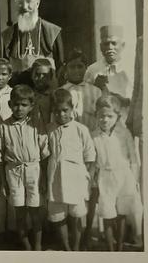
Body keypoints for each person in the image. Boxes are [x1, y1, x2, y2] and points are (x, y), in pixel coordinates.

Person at [0, 85, 50, 250]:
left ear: (31, 107)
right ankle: (26, 246)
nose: (19, 108)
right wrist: (3, 182)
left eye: (24, 105)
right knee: (19, 212)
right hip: (13, 171)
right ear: (10, 104)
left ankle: (38, 246)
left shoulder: (36, 125)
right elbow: (0, 158)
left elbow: (45, 154)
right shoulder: (3, 127)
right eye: (16, 104)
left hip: (34, 171)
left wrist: (44, 178)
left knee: (35, 211)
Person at [47, 88, 95, 251]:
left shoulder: (81, 129)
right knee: (59, 216)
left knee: (75, 215)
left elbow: (89, 156)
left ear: (72, 108)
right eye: (57, 111)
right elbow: (44, 155)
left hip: (76, 180)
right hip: (55, 180)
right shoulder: (49, 129)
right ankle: (66, 248)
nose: (61, 115)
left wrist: (85, 179)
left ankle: (75, 248)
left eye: (65, 110)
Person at [92, 94, 142, 251]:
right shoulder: (93, 135)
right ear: (96, 116)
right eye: (101, 116)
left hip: (124, 177)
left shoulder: (124, 134)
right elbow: (92, 162)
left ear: (117, 116)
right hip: (105, 179)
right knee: (107, 213)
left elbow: (133, 158)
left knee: (122, 213)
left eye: (109, 116)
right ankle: (110, 248)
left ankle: (119, 247)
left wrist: (134, 179)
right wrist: (93, 180)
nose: (105, 120)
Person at [2, 0, 64, 74]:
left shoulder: (53, 31)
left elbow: (60, 66)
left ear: (37, 3)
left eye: (28, 1)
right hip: (19, 85)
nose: (24, 6)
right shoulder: (8, 34)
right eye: (20, 2)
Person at [84, 25, 133, 99]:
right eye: (106, 44)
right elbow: (87, 98)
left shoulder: (130, 69)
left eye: (114, 43)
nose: (110, 47)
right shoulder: (92, 70)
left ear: (122, 45)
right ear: (100, 47)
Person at [61, 48, 101, 132]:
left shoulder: (96, 92)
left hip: (91, 136)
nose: (76, 70)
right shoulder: (61, 92)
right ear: (66, 69)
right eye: (72, 67)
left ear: (86, 67)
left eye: (80, 66)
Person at [126, 36, 143, 200]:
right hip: (145, 117)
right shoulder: (142, 41)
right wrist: (131, 118)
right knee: (147, 169)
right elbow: (138, 84)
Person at [31, 58, 56, 126]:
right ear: (31, 75)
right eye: (37, 74)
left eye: (44, 75)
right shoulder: (28, 95)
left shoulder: (55, 96)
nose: (40, 78)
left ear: (50, 76)